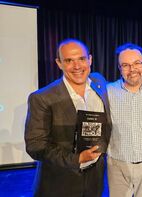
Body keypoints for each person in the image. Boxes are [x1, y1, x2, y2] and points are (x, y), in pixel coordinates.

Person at [24, 39, 112, 196]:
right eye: (69, 60)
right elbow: (36, 146)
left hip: (95, 180)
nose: (77, 66)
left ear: (90, 59)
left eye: (81, 59)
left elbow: (121, 87)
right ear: (59, 63)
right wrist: (76, 159)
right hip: (60, 183)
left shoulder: (99, 83)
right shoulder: (42, 98)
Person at [107, 43, 142, 197]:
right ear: (119, 69)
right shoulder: (109, 92)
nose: (132, 69)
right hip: (117, 165)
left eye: (137, 63)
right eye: (125, 65)